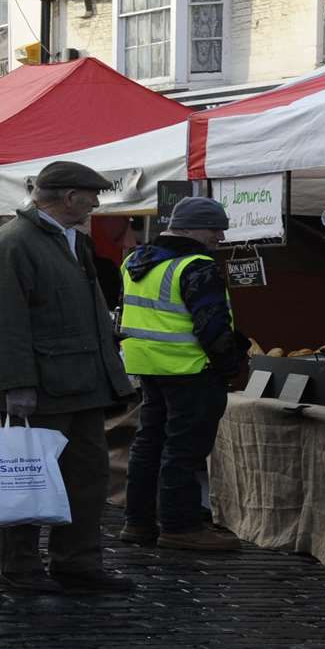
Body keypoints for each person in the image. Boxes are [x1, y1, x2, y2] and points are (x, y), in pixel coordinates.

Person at [0, 161, 137, 596]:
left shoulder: (71, 241)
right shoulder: (13, 243)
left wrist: (111, 377)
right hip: (42, 386)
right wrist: (16, 385)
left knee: (87, 477)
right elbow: (1, 322)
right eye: (91, 196)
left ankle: (76, 561)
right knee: (27, 476)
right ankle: (21, 569)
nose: (96, 204)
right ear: (69, 197)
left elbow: (91, 315)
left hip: (81, 383)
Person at [120, 197, 247, 552]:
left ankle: (138, 522)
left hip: (148, 365)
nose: (220, 236)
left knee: (149, 443)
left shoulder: (134, 261)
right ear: (191, 228)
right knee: (184, 449)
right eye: (214, 228)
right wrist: (229, 366)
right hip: (191, 368)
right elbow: (211, 323)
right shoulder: (197, 266)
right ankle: (180, 525)